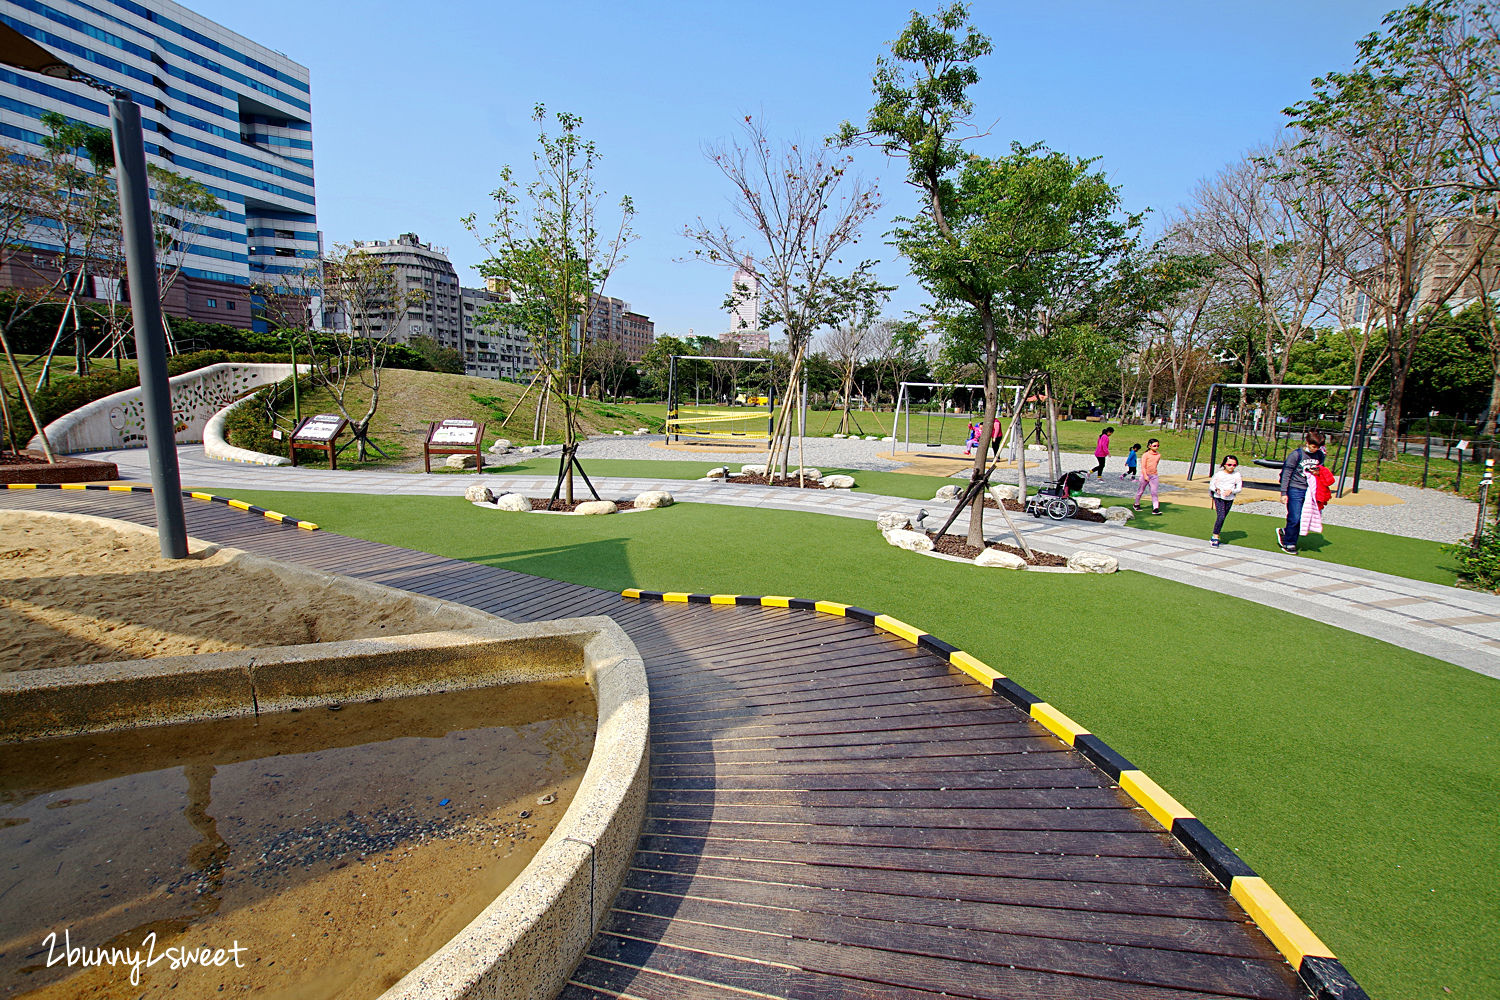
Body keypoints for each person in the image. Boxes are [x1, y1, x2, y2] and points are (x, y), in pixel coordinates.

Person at [1277, 430, 1327, 554]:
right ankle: (1289, 543)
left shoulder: (1320, 455)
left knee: (1305, 517)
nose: (1315, 449)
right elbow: (1286, 473)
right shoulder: (1296, 455)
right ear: (1307, 442)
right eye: (1313, 446)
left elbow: (1321, 470)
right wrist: (1284, 493)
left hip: (1310, 490)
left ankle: (1286, 532)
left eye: (1318, 447)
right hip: (1295, 488)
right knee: (1295, 516)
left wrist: (1318, 472)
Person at [1208, 455, 1242, 547]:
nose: (1232, 467)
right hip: (1219, 497)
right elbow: (1211, 485)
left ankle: (1217, 532)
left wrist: (1231, 491)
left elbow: (1239, 488)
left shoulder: (1237, 475)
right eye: (1229, 464)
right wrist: (1216, 489)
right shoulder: (1219, 474)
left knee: (1223, 517)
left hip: (1229, 498)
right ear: (1224, 464)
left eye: (1234, 465)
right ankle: (1215, 536)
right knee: (1221, 516)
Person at [1134, 438, 1162, 514]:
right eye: (1155, 445)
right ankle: (1136, 504)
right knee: (1141, 490)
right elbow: (1143, 466)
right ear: (1149, 446)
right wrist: (1145, 475)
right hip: (1145, 475)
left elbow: (1155, 464)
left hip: (1154, 475)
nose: (1156, 447)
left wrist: (1153, 474)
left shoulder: (1158, 455)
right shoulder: (1145, 455)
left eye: (1158, 445)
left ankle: (1155, 508)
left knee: (1154, 492)